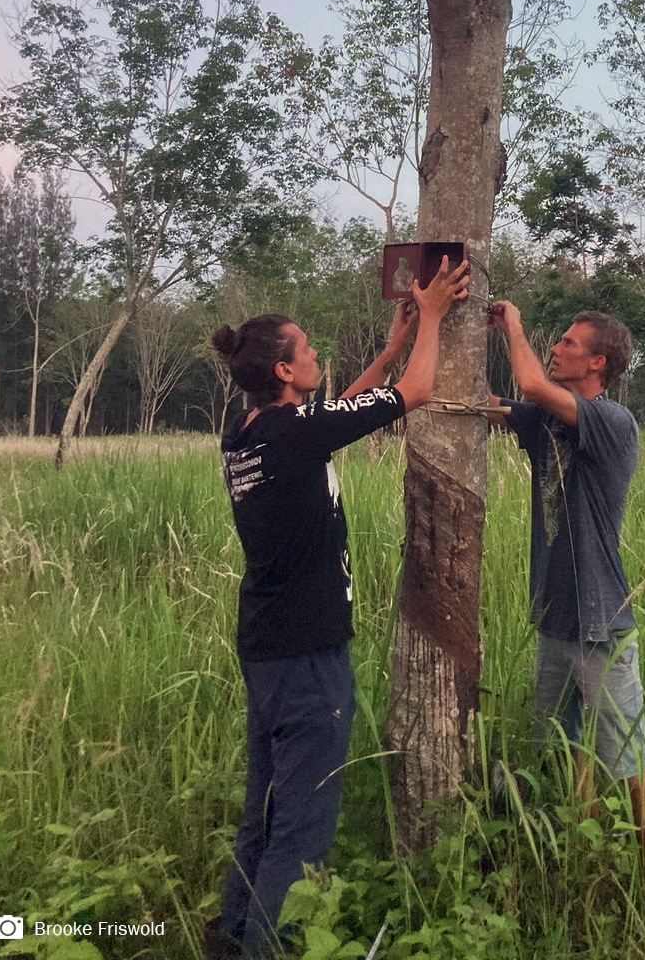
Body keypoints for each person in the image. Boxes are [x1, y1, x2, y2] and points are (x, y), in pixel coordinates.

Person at [205, 256, 469, 960]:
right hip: (307, 653)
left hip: (266, 645)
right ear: (286, 371)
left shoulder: (250, 431)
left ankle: (232, 936)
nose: (317, 353)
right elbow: (413, 392)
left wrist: (388, 347)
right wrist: (433, 319)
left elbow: (333, 420)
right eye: (308, 349)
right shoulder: (293, 434)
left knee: (264, 805)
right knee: (302, 819)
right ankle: (272, 946)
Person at [487, 302, 645, 903]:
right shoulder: (543, 420)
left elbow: (531, 383)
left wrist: (513, 326)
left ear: (597, 362)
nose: (555, 347)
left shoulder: (612, 421)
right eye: (553, 341)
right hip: (554, 619)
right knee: (564, 751)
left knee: (633, 764)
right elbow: (494, 404)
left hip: (600, 621)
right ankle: (582, 869)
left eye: (566, 342)